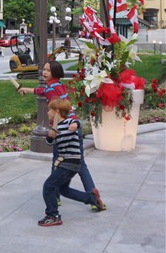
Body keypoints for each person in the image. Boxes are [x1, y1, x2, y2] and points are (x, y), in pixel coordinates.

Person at [17, 61, 105, 209]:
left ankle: (55, 195)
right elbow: (42, 91)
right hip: (74, 125)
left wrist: (54, 130)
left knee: (57, 162)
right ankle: (92, 194)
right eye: (44, 69)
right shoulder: (58, 85)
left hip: (63, 128)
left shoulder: (51, 90)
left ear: (55, 73)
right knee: (80, 163)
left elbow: (53, 104)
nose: (44, 72)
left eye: (48, 70)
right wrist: (26, 89)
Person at [38, 98, 103, 226]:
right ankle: (91, 198)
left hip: (69, 163)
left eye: (49, 110)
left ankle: (53, 215)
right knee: (63, 189)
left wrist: (75, 125)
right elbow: (50, 142)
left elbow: (78, 122)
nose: (47, 112)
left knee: (48, 187)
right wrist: (49, 136)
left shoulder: (69, 122)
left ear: (57, 111)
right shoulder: (55, 128)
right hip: (67, 164)